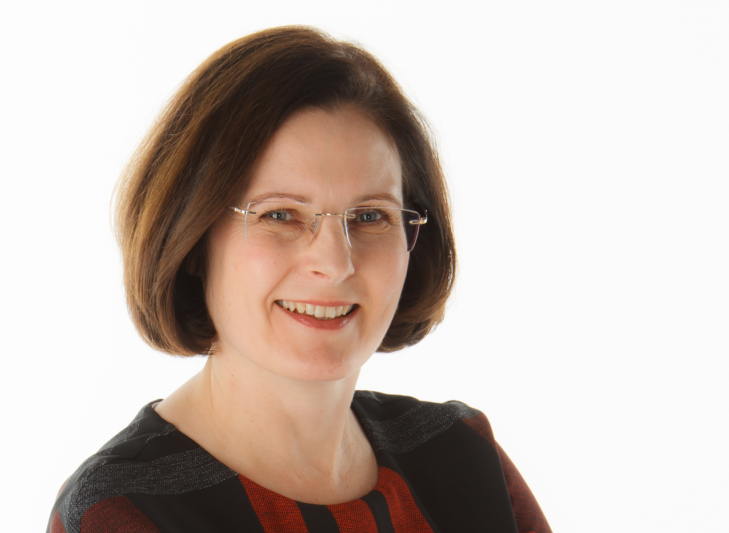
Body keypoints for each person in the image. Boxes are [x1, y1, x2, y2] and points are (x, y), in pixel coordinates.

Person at [47, 26, 552, 533]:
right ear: (193, 239)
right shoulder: (122, 511)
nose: (335, 263)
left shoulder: (460, 457)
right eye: (281, 215)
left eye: (371, 216)